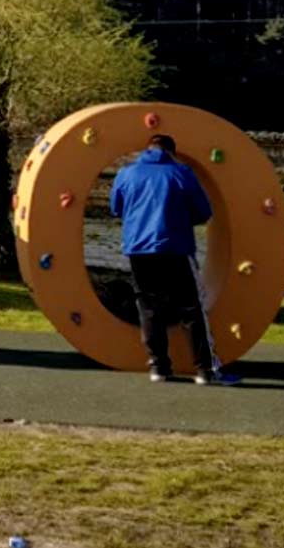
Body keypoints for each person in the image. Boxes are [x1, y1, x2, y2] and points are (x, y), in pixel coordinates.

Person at [109, 133, 235, 385]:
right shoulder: (181, 173)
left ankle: (159, 366)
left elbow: (116, 208)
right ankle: (205, 369)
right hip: (175, 247)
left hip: (138, 249)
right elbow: (203, 211)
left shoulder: (127, 173)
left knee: (149, 306)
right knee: (191, 307)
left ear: (148, 149)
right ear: (172, 152)